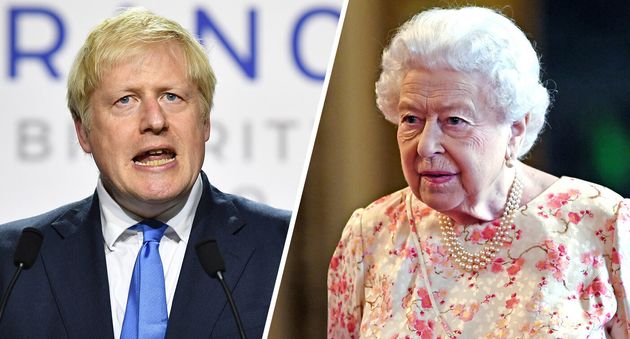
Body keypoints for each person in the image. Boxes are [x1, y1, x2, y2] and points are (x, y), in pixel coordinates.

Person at [327, 6, 629, 338]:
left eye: (454, 121)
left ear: (515, 128)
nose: (427, 146)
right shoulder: (370, 235)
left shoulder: (602, 226)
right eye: (411, 119)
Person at [0, 7, 289, 339]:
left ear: (205, 120)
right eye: (126, 100)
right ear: (84, 132)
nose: (155, 120)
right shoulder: (13, 263)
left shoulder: (281, 245)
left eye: (172, 96)